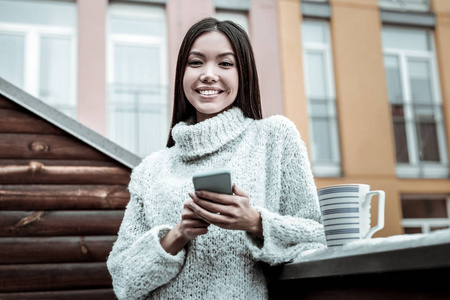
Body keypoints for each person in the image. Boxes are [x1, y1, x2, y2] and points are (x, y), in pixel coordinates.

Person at [107, 17, 326, 300]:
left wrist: (255, 222)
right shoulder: (150, 169)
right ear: (181, 74)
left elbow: (317, 235)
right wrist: (178, 234)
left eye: (225, 63)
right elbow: (123, 280)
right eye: (196, 62)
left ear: (243, 74)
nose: (208, 74)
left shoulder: (274, 137)